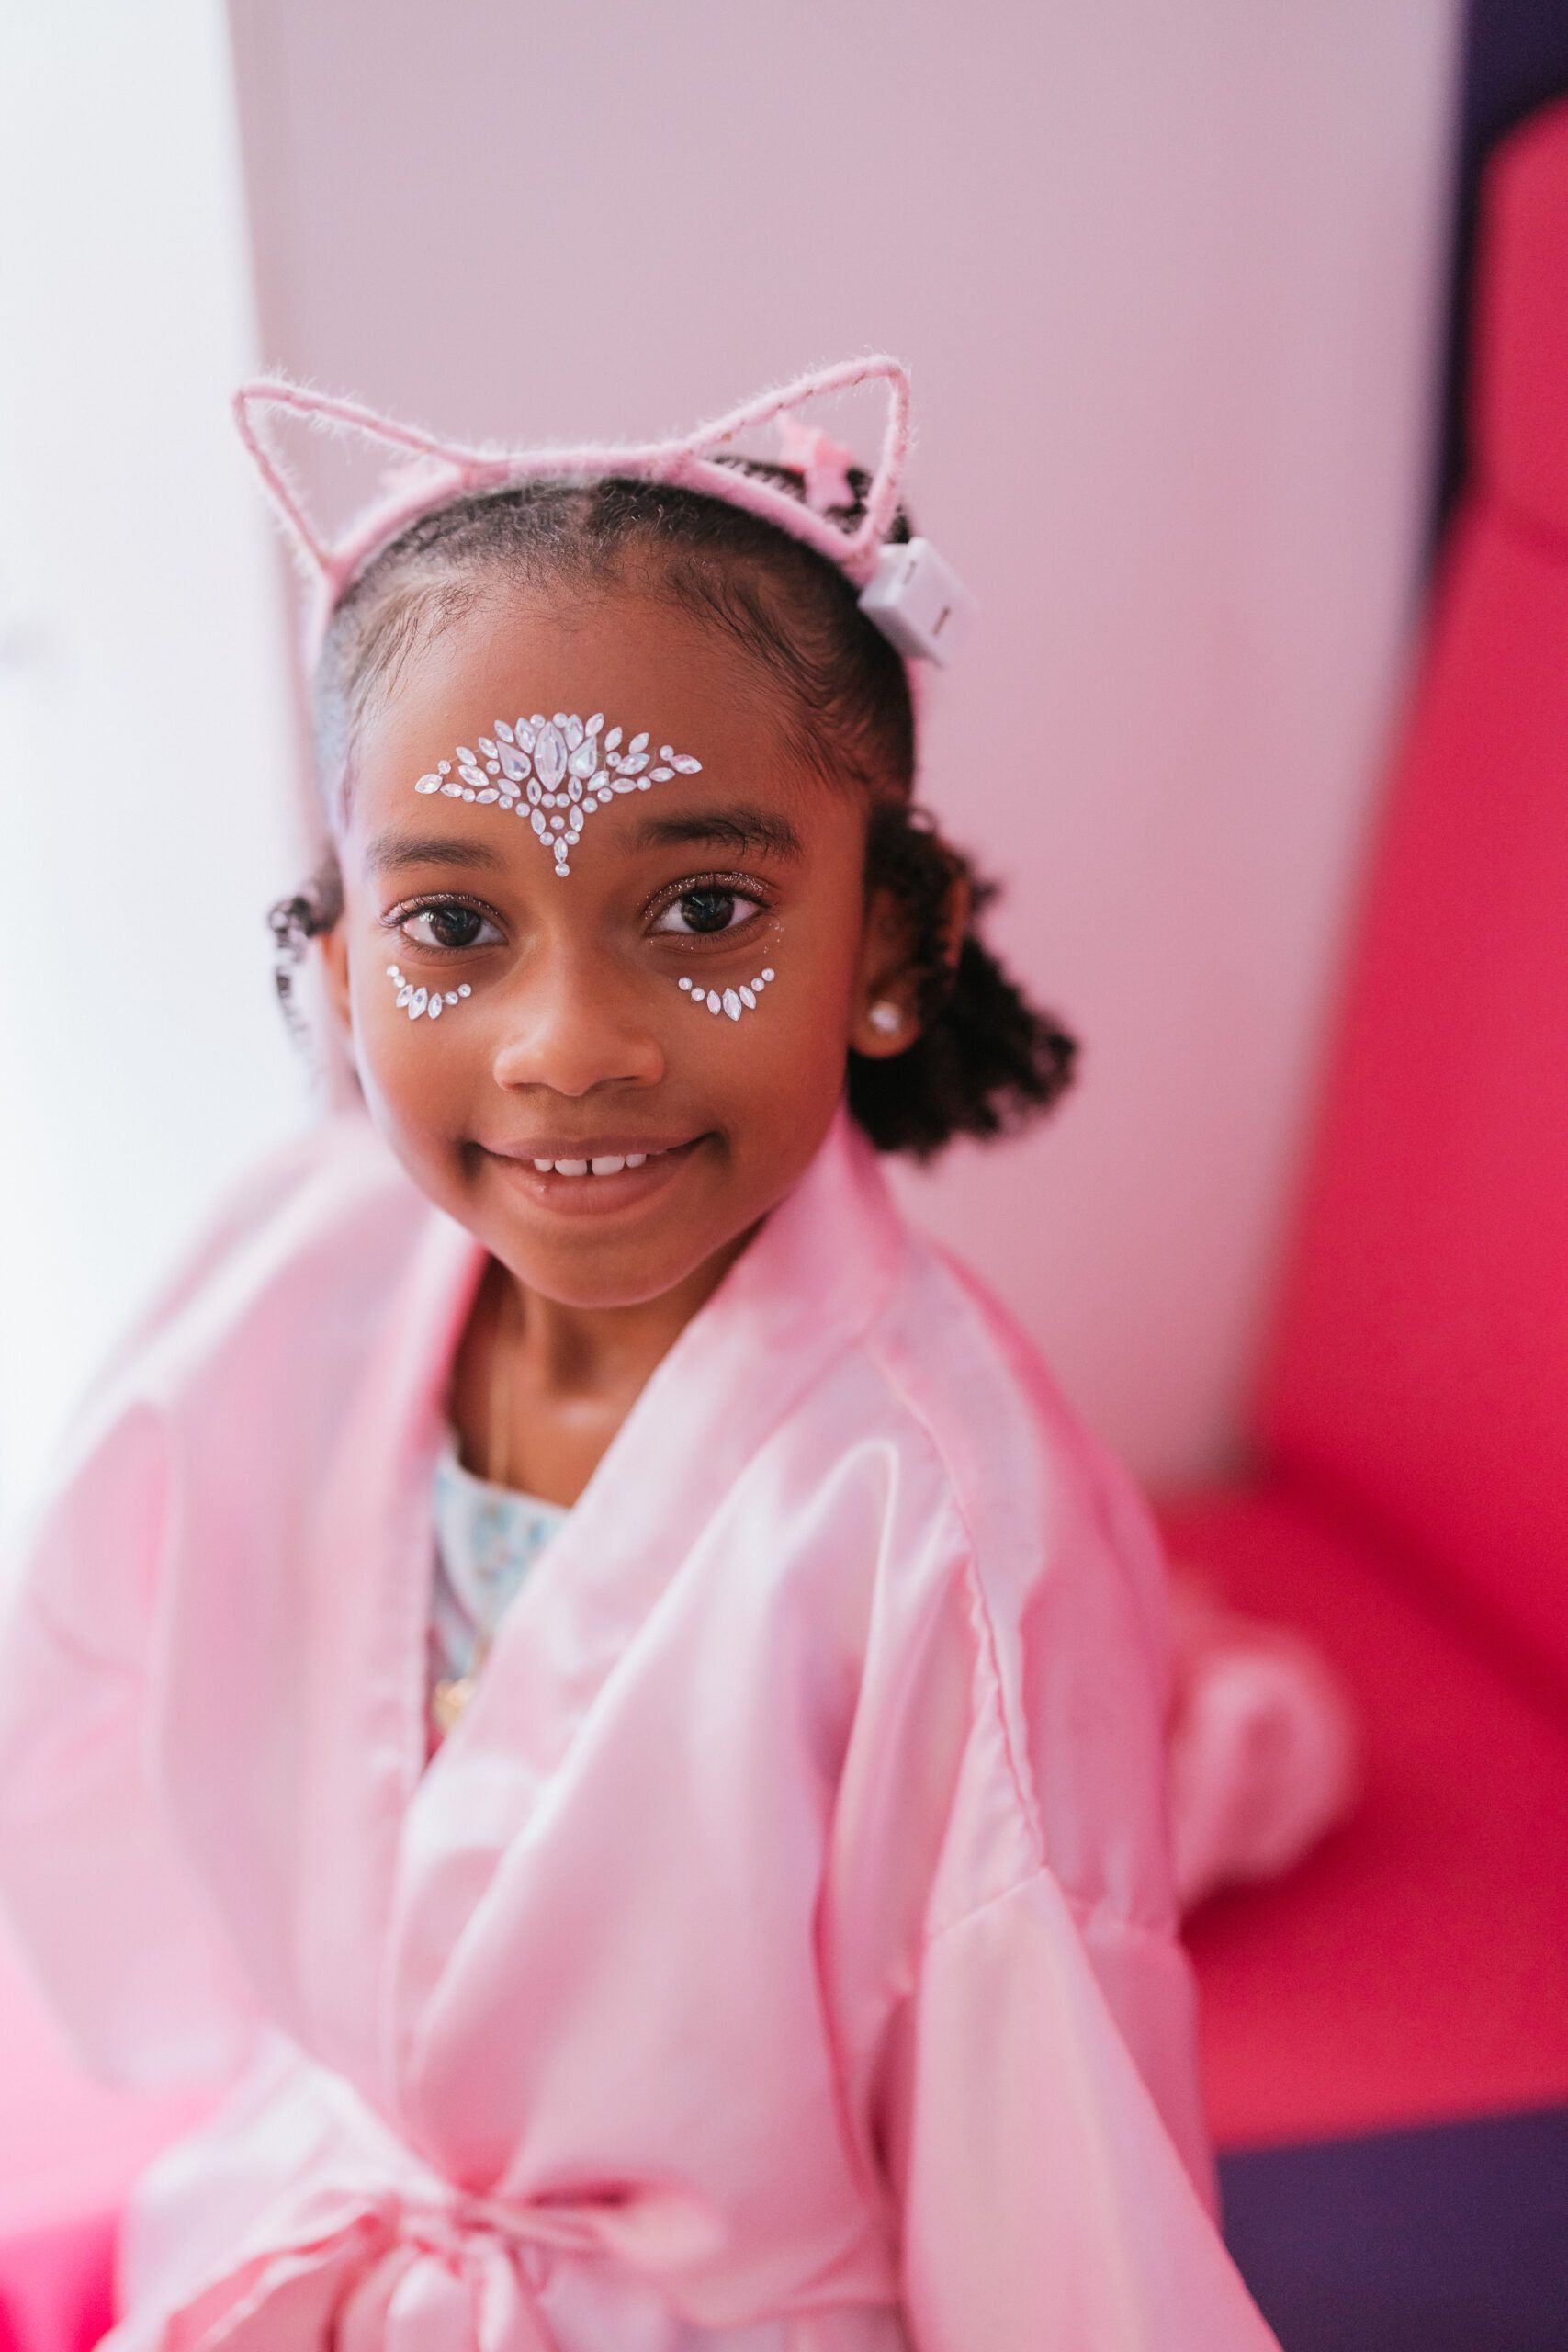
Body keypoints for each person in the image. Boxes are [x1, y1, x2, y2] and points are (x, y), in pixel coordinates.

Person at [0, 359, 1280, 2348]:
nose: (566, 1039)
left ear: (885, 946)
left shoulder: (943, 1517)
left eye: (699, 907)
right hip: (309, 2209)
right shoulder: (287, 1270)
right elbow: (86, 1688)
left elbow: (1053, 2146)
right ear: (337, 971)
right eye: (452, 925)